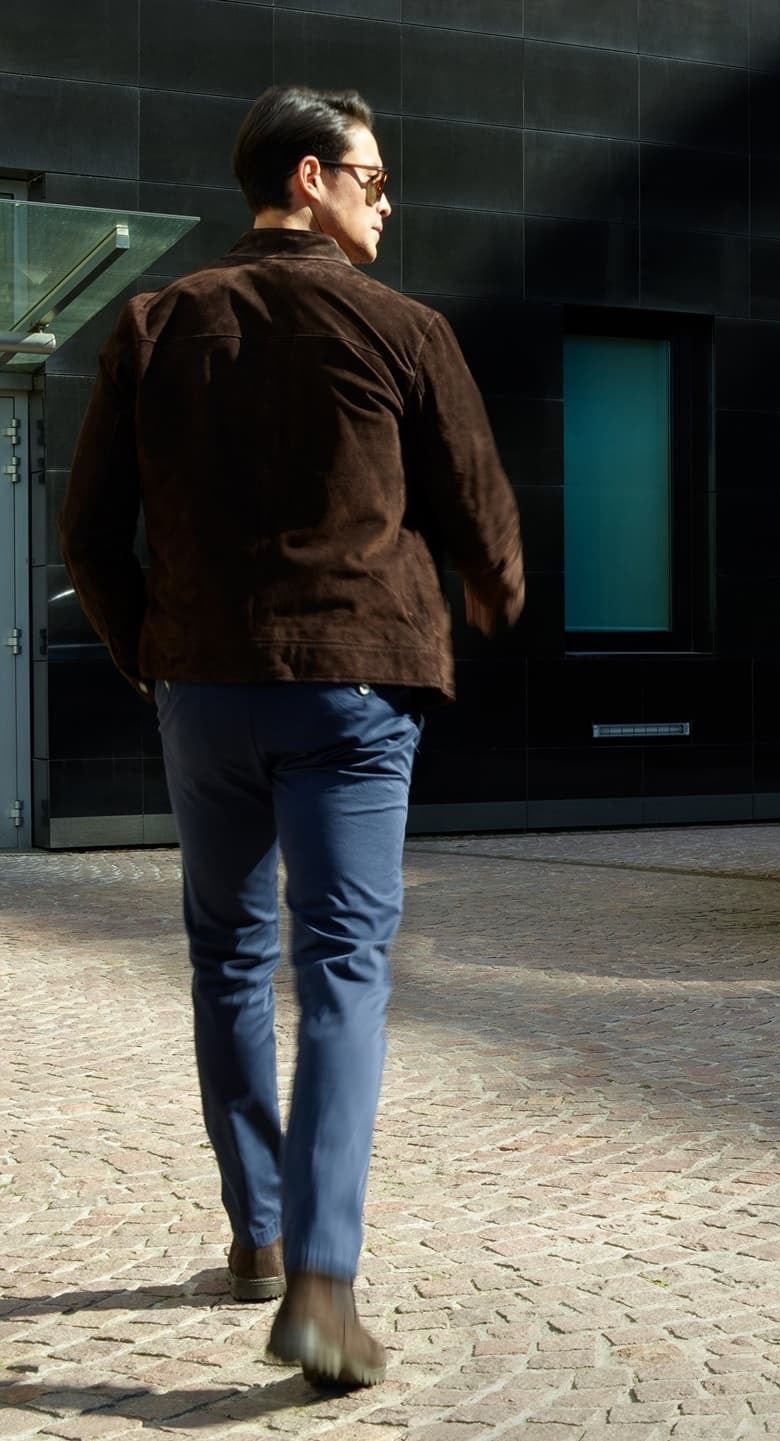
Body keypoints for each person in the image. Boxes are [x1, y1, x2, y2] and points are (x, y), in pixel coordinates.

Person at [60, 84, 524, 1389]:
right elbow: (484, 521)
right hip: (353, 691)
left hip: (201, 690)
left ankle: (257, 1236)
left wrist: (150, 653)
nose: (391, 199)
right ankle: (320, 1285)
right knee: (342, 970)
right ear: (313, 177)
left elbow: (88, 533)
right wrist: (478, 607)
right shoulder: (404, 329)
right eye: (375, 177)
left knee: (225, 954)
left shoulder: (153, 325)